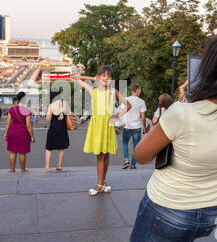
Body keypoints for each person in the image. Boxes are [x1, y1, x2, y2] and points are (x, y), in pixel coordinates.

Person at [130, 25, 217, 242]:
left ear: (212, 65)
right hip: (213, 213)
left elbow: (141, 156)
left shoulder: (183, 113)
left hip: (167, 209)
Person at [73, 65, 131, 195]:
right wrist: (93, 78)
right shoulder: (92, 90)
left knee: (104, 155)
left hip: (107, 124)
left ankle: (100, 184)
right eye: (104, 76)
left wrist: (117, 116)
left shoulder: (112, 91)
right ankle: (103, 183)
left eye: (109, 77)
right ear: (98, 77)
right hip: (97, 125)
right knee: (100, 155)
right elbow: (77, 78)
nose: (107, 79)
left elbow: (128, 105)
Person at [4, 92, 35, 173]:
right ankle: (23, 169)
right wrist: (32, 136)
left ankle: (12, 169)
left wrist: (5, 133)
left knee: (12, 152)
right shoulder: (26, 110)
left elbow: (8, 123)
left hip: (12, 132)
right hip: (22, 133)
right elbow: (28, 125)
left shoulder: (12, 109)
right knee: (22, 152)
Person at [121, 83, 147, 170]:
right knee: (136, 146)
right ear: (137, 90)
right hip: (137, 127)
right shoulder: (141, 102)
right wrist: (144, 127)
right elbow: (143, 117)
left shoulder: (125, 99)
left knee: (125, 143)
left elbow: (122, 113)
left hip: (127, 126)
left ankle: (126, 161)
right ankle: (133, 165)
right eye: (140, 90)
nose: (141, 91)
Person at [45, 90, 71, 172]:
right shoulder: (65, 104)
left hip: (53, 128)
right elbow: (68, 115)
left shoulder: (51, 105)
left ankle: (47, 167)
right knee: (61, 148)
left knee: (49, 148)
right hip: (62, 128)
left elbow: (48, 119)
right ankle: (59, 166)